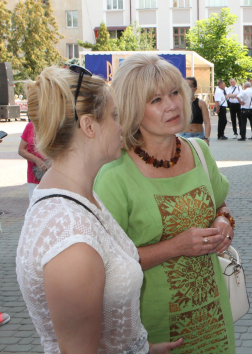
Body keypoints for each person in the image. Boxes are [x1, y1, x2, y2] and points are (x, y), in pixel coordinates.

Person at [16, 65, 182, 353]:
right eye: (114, 116)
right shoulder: (71, 238)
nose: (122, 126)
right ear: (89, 126)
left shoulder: (80, 196)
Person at [94, 54, 236, 353]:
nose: (172, 105)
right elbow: (103, 266)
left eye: (174, 93)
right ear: (133, 108)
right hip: (152, 330)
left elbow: (220, 206)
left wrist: (223, 222)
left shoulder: (199, 152)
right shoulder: (114, 174)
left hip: (213, 318)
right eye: (156, 99)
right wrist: (176, 247)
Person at [18, 121, 50, 200]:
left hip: (52, 175)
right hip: (34, 176)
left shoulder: (55, 124)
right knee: (34, 204)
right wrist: (37, 160)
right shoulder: (30, 126)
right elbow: (21, 150)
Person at [180, 76, 211, 144]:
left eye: (189, 86)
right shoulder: (180, 103)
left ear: (195, 88)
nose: (186, 88)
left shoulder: (201, 104)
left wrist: (206, 138)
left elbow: (207, 122)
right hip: (183, 136)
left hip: (199, 136)